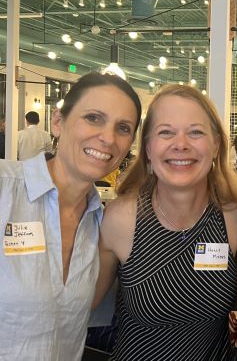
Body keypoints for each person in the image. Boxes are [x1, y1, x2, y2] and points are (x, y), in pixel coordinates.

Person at [93, 84, 237, 360]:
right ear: (147, 147)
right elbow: (76, 308)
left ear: (217, 143)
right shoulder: (122, 219)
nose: (181, 144)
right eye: (166, 132)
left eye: (195, 132)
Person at [0, 72, 142, 360]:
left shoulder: (102, 226)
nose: (107, 138)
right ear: (57, 122)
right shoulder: (5, 188)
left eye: (123, 128)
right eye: (93, 118)